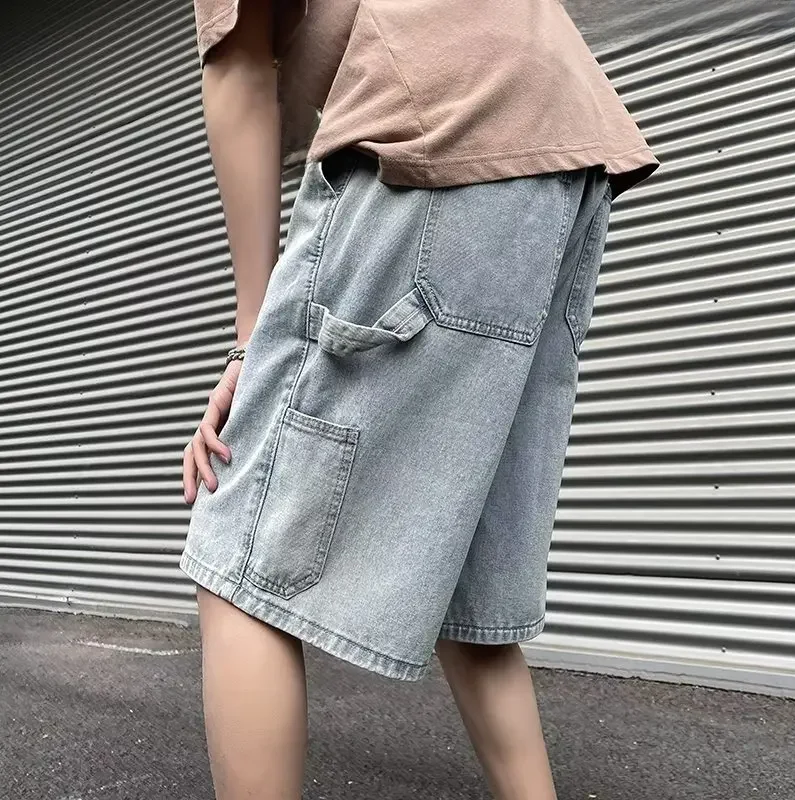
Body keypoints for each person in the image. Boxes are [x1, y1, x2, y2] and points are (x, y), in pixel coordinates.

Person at [180, 1, 659, 798]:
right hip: (564, 153)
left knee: (237, 557)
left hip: (432, 129)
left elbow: (239, 68)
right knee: (470, 581)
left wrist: (249, 341)